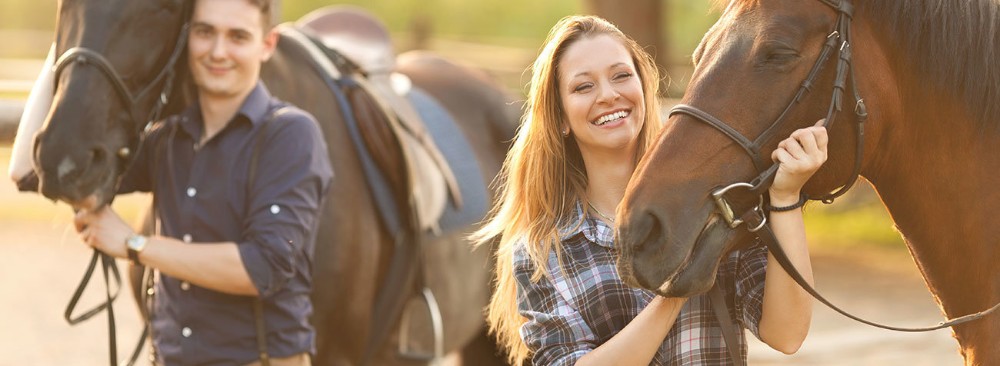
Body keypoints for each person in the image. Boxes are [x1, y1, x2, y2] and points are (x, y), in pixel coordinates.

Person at [473, 15, 824, 365]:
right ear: (561, 117)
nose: (609, 95)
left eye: (621, 76)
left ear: (643, 87)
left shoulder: (712, 199)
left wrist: (785, 198)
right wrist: (673, 291)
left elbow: (787, 334)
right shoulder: (542, 252)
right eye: (583, 87)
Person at [72, 0, 332, 364]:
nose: (218, 51)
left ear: (267, 45)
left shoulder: (292, 135)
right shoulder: (167, 138)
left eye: (238, 37)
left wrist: (134, 244)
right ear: (187, 37)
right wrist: (73, 48)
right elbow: (55, 171)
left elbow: (264, 267)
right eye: (205, 32)